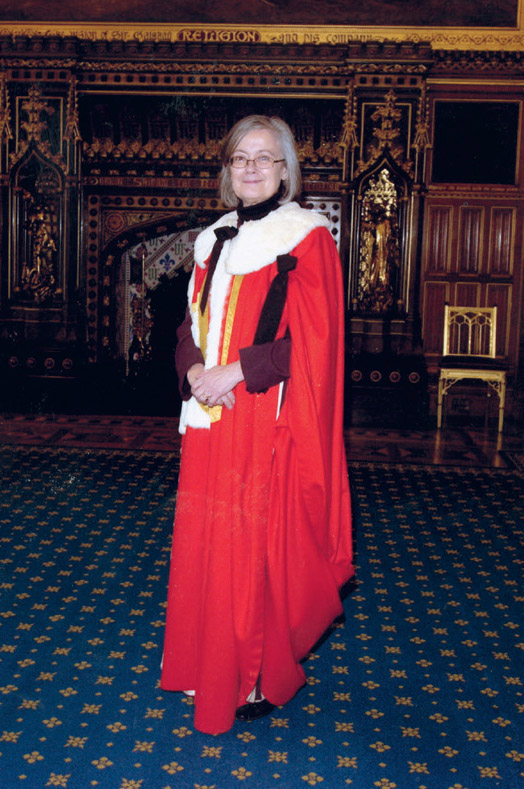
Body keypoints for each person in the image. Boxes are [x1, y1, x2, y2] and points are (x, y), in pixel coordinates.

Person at [160, 114, 354, 735]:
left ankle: (250, 675)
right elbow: (189, 323)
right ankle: (204, 664)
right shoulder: (211, 238)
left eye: (264, 158)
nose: (250, 168)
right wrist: (194, 372)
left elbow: (317, 342)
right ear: (227, 168)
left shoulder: (307, 238)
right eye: (240, 157)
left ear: (284, 170)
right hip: (209, 416)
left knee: (251, 548)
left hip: (262, 419)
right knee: (208, 542)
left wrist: (234, 374)